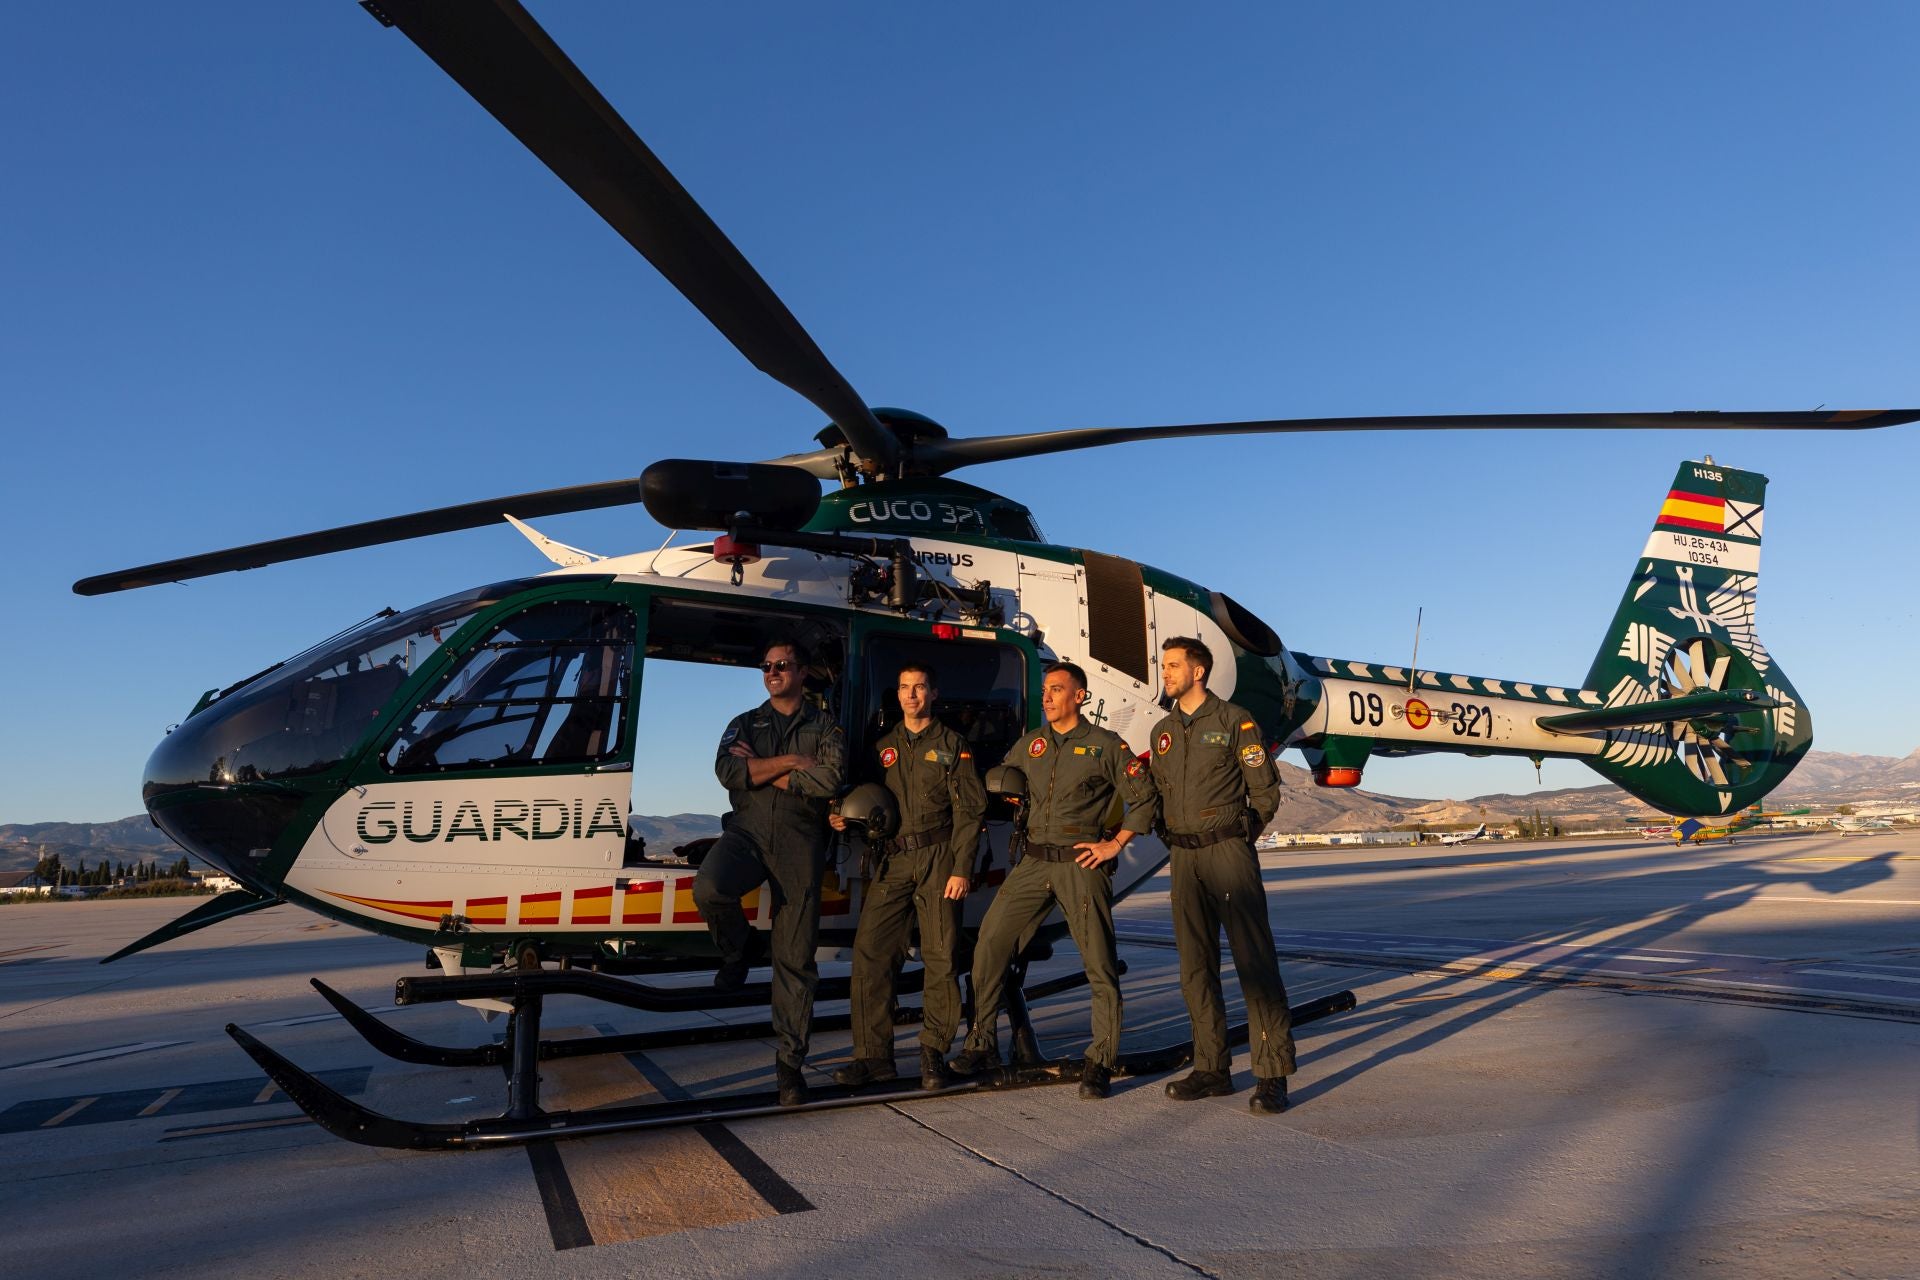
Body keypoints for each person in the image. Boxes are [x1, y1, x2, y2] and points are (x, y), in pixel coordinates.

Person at [947, 660, 1159, 1100]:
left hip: (1081, 864)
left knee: (1098, 962)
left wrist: (1114, 844)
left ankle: (1101, 1058)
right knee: (989, 943)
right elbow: (1006, 780)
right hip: (1034, 862)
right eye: (1045, 689)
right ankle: (981, 1042)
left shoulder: (1104, 745)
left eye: (1056, 689)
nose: (1046, 696)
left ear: (1079, 696)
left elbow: (1144, 797)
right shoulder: (1033, 745)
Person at [695, 637, 845, 1106]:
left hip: (801, 844)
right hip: (748, 833)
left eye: (783, 665)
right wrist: (792, 764)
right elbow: (727, 772)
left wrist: (762, 769)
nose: (773, 671)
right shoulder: (745, 722)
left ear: (803, 673)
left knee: (795, 961)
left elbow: (830, 780)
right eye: (766, 665)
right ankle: (738, 951)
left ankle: (790, 1066)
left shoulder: (825, 725)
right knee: (711, 888)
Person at [1149, 636, 1295, 1114]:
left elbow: (1264, 790)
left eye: (1173, 665)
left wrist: (1241, 833)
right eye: (1163, 664)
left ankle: (1271, 1072)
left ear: (1199, 672)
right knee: (1195, 968)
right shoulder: (1163, 731)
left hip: (1227, 852)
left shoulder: (1235, 721)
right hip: (1183, 860)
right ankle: (1211, 1068)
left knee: (1254, 962)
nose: (1164, 671)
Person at [830, 662, 988, 1091]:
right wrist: (842, 816)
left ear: (933, 694)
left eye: (920, 687)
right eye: (904, 687)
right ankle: (873, 1057)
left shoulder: (953, 745)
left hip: (940, 857)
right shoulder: (882, 746)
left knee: (941, 955)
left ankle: (933, 1050)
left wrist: (962, 869)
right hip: (893, 858)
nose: (912, 695)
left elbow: (971, 811)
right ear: (897, 694)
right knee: (870, 953)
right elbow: (859, 794)